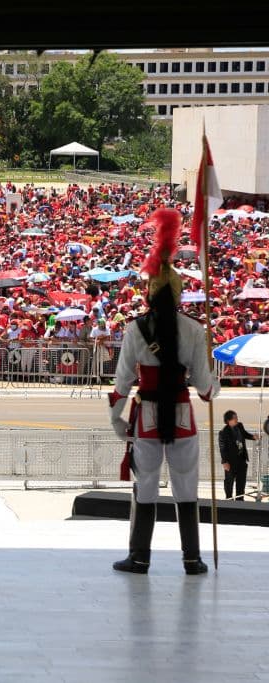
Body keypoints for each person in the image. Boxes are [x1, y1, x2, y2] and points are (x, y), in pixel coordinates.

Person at [108, 209, 218, 575]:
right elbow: (205, 387)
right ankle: (192, 558)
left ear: (149, 293)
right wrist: (213, 387)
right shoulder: (193, 329)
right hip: (182, 416)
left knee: (146, 487)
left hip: (149, 419)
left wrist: (116, 419)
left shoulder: (135, 330)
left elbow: (122, 383)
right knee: (187, 490)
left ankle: (140, 556)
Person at [219, 410, 257, 500]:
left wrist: (253, 437)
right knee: (229, 482)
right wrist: (224, 462)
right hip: (230, 461)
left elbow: (244, 434)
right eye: (234, 417)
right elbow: (222, 448)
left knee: (241, 482)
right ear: (228, 420)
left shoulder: (239, 425)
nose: (237, 419)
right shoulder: (223, 432)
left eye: (236, 417)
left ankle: (240, 500)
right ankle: (229, 499)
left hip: (241, 459)